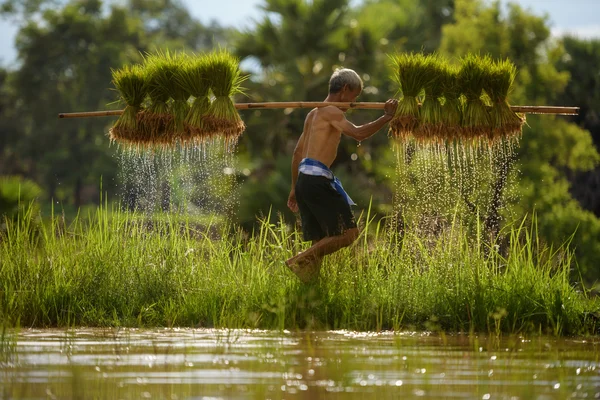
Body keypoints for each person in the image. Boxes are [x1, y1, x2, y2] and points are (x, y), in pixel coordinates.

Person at [285, 68, 398, 282]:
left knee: (319, 241)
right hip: (317, 180)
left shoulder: (313, 113)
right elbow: (357, 133)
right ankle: (298, 260)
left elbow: (297, 153)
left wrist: (294, 188)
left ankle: (310, 294)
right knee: (348, 234)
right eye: (353, 97)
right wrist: (387, 117)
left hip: (304, 180)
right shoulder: (332, 111)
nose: (352, 104)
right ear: (345, 90)